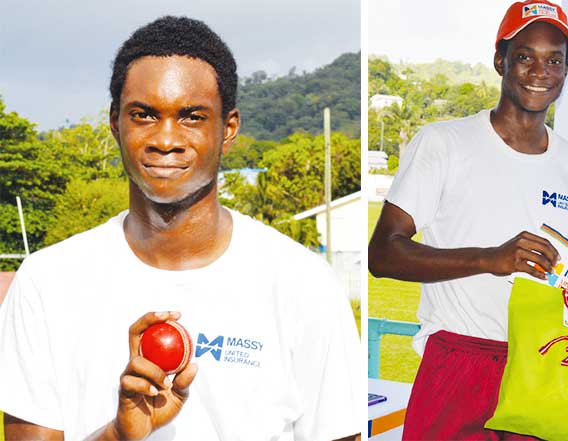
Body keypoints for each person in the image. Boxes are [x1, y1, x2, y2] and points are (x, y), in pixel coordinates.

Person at [0, 17, 360, 441]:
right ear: (116, 122)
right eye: (144, 115)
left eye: (191, 116)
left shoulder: (304, 284)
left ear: (228, 129)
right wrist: (119, 433)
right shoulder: (47, 282)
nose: (165, 139)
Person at [368, 1, 568, 439]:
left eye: (554, 60)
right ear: (500, 60)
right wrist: (489, 258)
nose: (540, 71)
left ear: (566, 71)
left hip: (546, 372)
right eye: (525, 56)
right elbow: (383, 253)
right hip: (459, 361)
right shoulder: (444, 143)